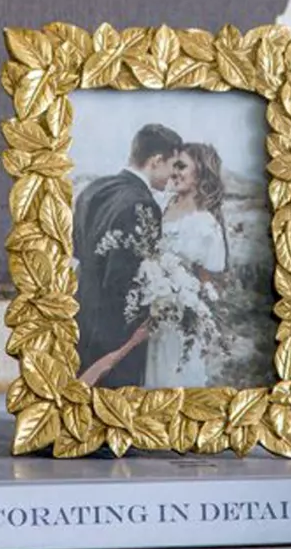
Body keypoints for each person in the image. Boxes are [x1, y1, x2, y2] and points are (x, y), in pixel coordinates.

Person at [81, 142, 229, 388]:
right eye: (174, 166)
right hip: (143, 320)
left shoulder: (205, 226)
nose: (174, 172)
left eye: (181, 166)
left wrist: (175, 302)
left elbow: (208, 287)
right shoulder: (160, 203)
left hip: (173, 326)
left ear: (200, 173)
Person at [74, 123, 182, 387]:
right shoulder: (143, 204)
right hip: (114, 336)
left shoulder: (93, 189)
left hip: (81, 315)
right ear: (156, 161)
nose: (173, 175)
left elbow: (78, 249)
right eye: (173, 165)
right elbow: (123, 281)